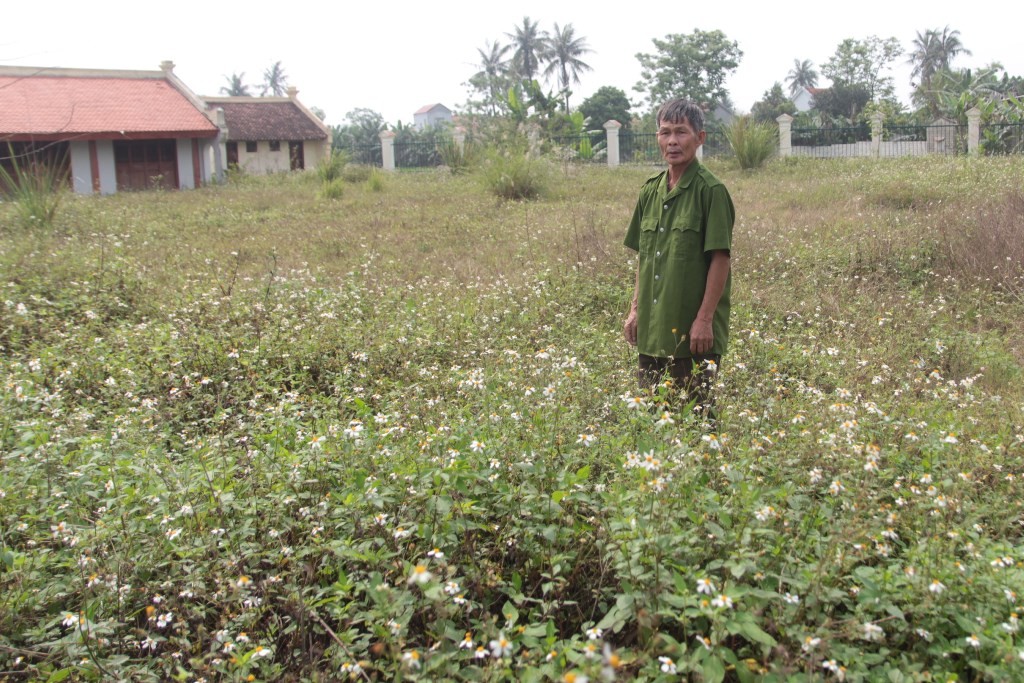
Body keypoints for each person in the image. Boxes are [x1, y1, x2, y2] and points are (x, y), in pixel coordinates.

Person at [622, 98, 735, 412]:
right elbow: (645, 257)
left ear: (700, 138)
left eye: (682, 132)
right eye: (665, 132)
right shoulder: (649, 192)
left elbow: (720, 259)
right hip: (653, 330)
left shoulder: (711, 192)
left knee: (698, 419)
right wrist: (635, 310)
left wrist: (704, 320)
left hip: (694, 337)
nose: (672, 141)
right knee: (653, 419)